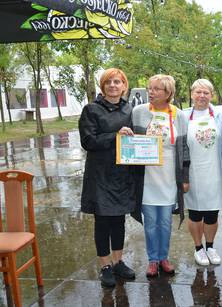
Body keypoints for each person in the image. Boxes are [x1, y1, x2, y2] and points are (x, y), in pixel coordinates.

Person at [125, 74, 190, 277]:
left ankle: (164, 257)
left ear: (168, 92)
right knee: (151, 221)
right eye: (149, 88)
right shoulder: (138, 112)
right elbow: (129, 141)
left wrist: (185, 178)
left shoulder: (179, 115)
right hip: (147, 176)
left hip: (169, 175)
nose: (150, 92)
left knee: (165, 222)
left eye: (156, 89)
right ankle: (152, 260)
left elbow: (185, 149)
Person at [79, 68, 136, 287]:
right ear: (102, 86)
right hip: (100, 175)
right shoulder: (91, 109)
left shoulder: (129, 109)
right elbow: (88, 141)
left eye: (117, 82)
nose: (113, 85)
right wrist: (115, 135)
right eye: (108, 82)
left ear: (124, 85)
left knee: (119, 220)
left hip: (122, 174)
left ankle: (118, 261)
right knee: (102, 221)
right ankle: (105, 266)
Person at [183, 79, 222, 266]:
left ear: (212, 95)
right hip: (193, 172)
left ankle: (210, 246)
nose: (202, 96)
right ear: (192, 94)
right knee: (194, 213)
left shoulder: (221, 113)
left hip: (215, 171)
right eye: (198, 92)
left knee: (212, 213)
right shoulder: (183, 116)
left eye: (206, 93)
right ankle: (198, 248)